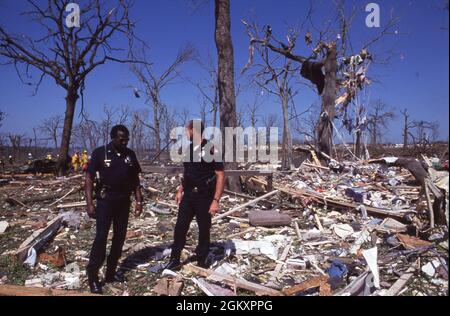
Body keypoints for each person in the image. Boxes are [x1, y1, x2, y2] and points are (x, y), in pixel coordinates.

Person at [85, 125, 143, 294]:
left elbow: (135, 180)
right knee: (101, 238)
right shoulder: (100, 153)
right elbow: (88, 178)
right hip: (105, 201)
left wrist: (139, 201)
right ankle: (93, 276)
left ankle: (111, 273)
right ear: (113, 137)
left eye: (127, 139)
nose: (124, 142)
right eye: (121, 139)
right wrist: (89, 203)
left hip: (123, 202)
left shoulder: (130, 155)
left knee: (119, 238)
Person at [164, 119, 225, 271]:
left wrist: (216, 200)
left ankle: (202, 259)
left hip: (204, 196)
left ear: (194, 130)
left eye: (187, 130)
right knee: (180, 228)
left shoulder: (212, 149)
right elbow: (187, 173)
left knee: (204, 228)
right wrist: (180, 190)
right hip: (189, 196)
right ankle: (175, 259)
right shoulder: (189, 150)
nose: (186, 133)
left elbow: (220, 175)